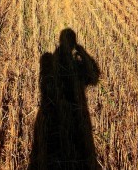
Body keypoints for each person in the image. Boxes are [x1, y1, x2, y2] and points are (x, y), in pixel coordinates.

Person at [28, 28, 100, 169]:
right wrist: (82, 51)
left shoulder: (55, 60)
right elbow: (93, 77)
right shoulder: (64, 61)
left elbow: (93, 78)